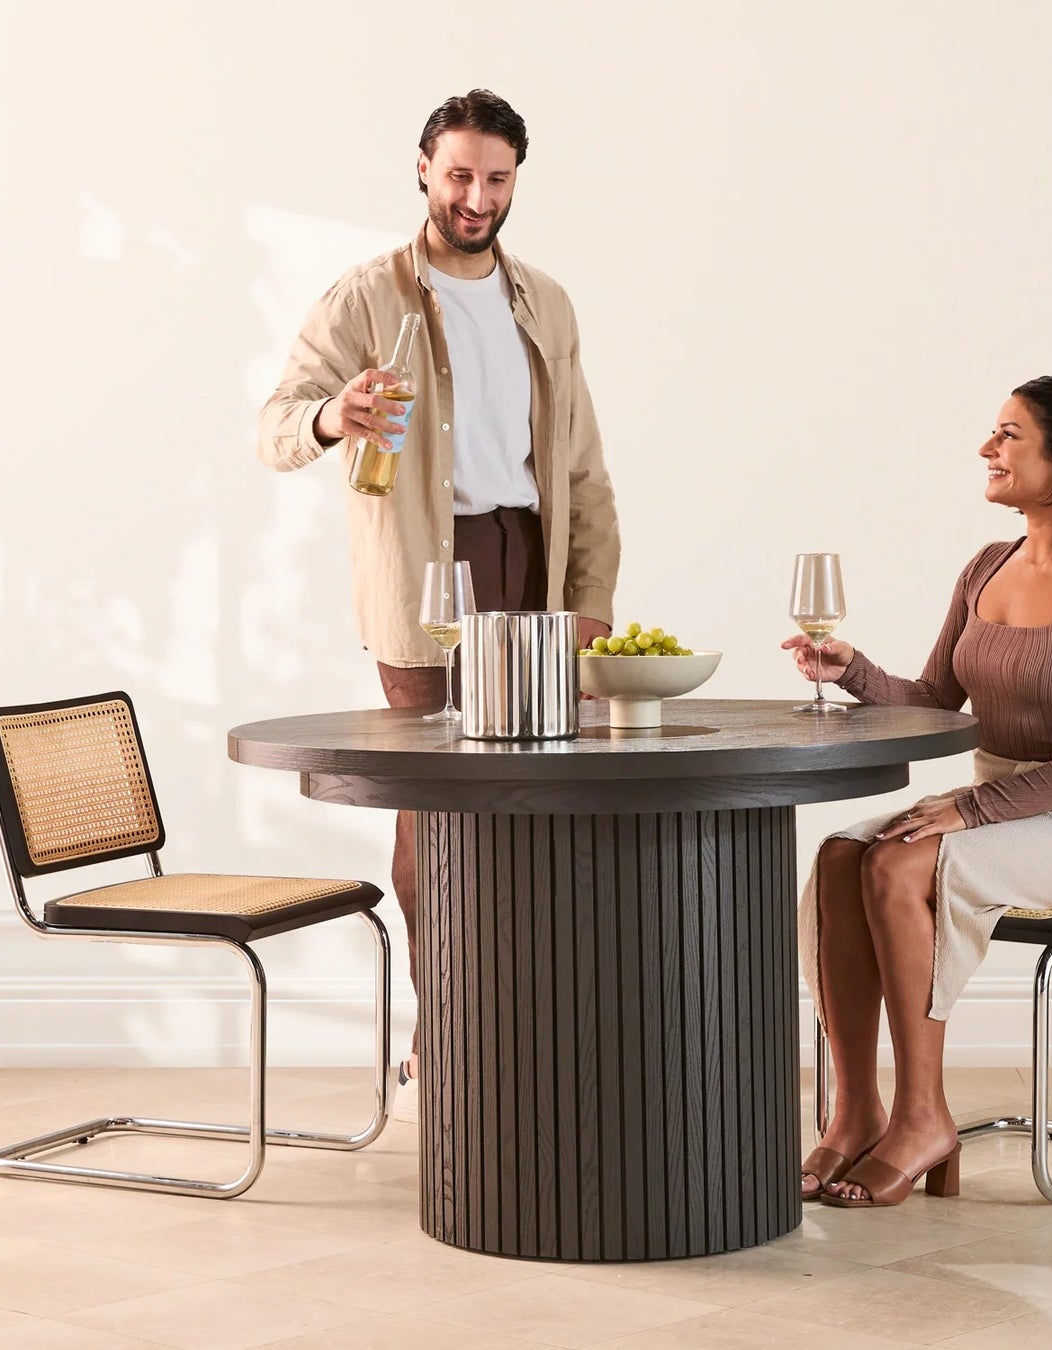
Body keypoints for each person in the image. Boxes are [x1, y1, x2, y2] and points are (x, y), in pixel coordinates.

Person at [257, 89, 621, 1123]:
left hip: (531, 565)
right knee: (436, 809)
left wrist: (590, 598)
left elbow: (583, 467)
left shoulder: (546, 302)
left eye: (496, 178)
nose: (476, 197)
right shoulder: (366, 296)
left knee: (544, 807)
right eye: (459, 174)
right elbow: (274, 427)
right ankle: (445, 1035)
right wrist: (334, 415)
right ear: (423, 168)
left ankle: (532, 1029)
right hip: (421, 575)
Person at [783, 375, 1052, 1207]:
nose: (987, 449)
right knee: (844, 853)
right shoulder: (986, 567)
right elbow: (933, 699)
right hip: (999, 817)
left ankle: (924, 1118)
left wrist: (969, 809)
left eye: (1008, 435)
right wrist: (854, 672)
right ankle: (855, 1114)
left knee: (896, 863)